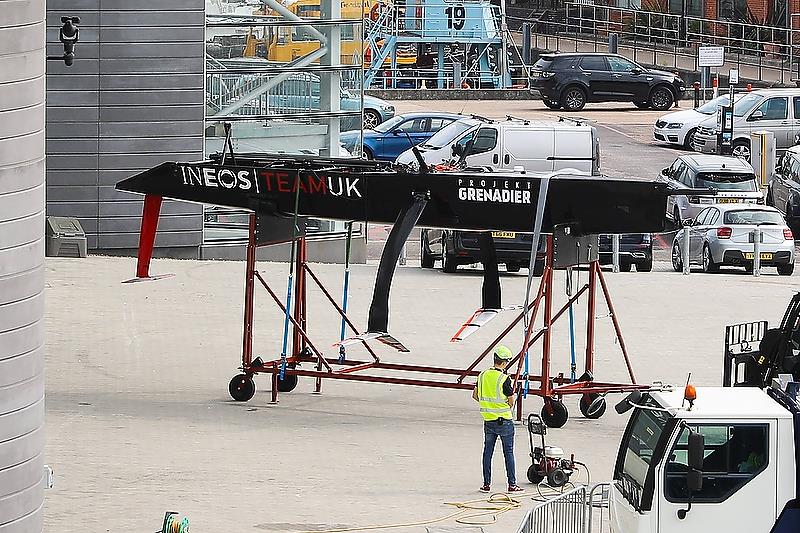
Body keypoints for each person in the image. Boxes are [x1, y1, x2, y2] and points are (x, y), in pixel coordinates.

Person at [473, 345, 524, 493]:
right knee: (508, 452)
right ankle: (512, 485)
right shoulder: (504, 378)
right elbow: (511, 400)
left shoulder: (482, 375)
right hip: (504, 422)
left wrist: (488, 404)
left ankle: (486, 484)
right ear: (504, 362)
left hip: (488, 421)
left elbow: (475, 395)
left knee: (487, 452)